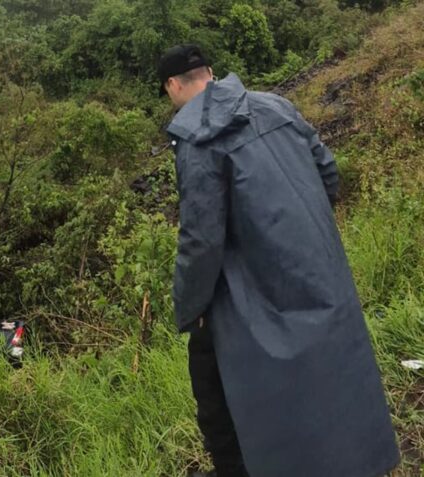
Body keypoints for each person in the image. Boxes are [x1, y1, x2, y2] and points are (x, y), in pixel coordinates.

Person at [157, 44, 400, 477]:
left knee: (214, 388)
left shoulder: (197, 138)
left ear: (173, 85)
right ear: (210, 71)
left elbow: (201, 238)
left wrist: (190, 307)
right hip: (314, 263)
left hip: (249, 287)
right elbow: (328, 173)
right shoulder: (275, 105)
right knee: (331, 371)